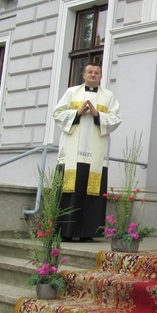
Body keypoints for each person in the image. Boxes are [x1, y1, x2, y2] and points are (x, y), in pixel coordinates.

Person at [53, 63, 122, 241]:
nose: (93, 75)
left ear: (101, 76)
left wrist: (97, 114)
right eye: (90, 72)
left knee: (91, 193)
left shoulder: (108, 96)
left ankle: (87, 233)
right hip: (72, 154)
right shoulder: (71, 92)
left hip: (95, 156)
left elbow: (116, 119)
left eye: (97, 73)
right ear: (83, 74)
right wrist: (78, 112)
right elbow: (57, 113)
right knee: (70, 192)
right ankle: (65, 232)